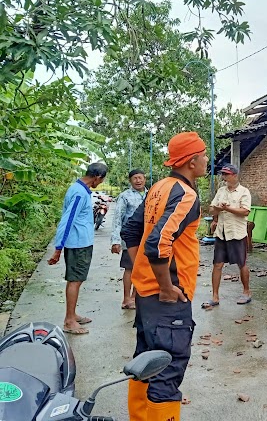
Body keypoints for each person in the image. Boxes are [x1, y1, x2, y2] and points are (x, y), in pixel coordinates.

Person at [122, 132, 208, 421]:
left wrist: (140, 274)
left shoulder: (158, 187)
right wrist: (167, 287)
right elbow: (158, 243)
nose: (207, 160)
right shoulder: (186, 195)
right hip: (167, 298)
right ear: (192, 161)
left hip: (146, 294)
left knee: (145, 361)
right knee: (168, 369)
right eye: (204, 155)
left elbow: (131, 231)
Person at [48, 162, 109, 335]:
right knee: (74, 280)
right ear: (97, 177)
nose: (101, 183)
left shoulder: (81, 190)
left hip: (83, 243)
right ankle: (69, 321)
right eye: (102, 179)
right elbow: (67, 221)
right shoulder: (78, 193)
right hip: (77, 244)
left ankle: (72, 314)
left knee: (78, 279)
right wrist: (58, 248)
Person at [202, 164, 252, 309]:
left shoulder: (243, 192)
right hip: (221, 233)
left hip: (237, 233)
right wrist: (217, 212)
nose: (224, 177)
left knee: (241, 263)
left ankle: (246, 292)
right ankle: (215, 296)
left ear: (235, 175)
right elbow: (211, 209)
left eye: (226, 174)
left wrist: (227, 208)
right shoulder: (221, 191)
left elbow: (245, 211)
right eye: (223, 174)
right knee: (217, 264)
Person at [111, 169, 147, 310]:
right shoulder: (124, 196)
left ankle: (135, 297)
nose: (138, 181)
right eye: (135, 178)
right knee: (130, 268)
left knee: (142, 268)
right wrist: (115, 240)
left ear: (145, 179)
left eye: (140, 178)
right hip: (129, 237)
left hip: (146, 237)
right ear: (130, 181)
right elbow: (117, 218)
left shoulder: (151, 194)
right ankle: (126, 299)